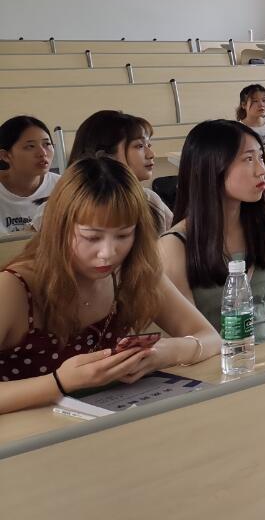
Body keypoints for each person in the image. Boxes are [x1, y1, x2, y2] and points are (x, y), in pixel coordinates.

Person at [0, 157, 221, 411]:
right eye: (91, 237)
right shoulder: (13, 288)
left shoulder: (131, 271)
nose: (107, 253)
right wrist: (59, 382)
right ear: (59, 229)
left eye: (123, 235)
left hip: (105, 423)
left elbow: (210, 338)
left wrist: (163, 353)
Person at [158, 120, 265, 343]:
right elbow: (190, 337)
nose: (262, 170)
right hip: (221, 360)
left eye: (261, 157)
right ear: (212, 167)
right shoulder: (174, 245)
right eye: (248, 159)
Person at [67, 110, 173, 233]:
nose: (151, 154)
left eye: (149, 145)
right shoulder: (73, 208)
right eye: (139, 146)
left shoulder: (149, 200)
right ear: (105, 156)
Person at [0, 116, 59, 235]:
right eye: (30, 146)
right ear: (5, 155)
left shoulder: (63, 186)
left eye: (47, 144)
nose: (42, 153)